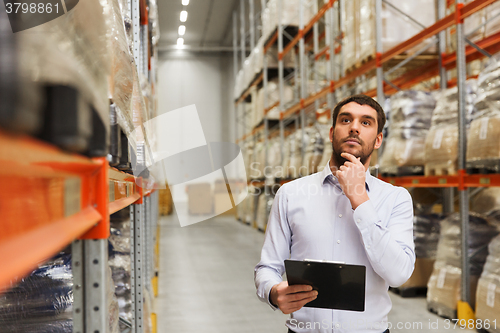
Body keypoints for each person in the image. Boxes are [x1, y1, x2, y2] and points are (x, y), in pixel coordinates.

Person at [254, 94, 415, 333]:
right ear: (332, 133)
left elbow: (399, 274)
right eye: (346, 120)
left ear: (379, 139)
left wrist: (360, 199)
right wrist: (274, 292)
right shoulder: (290, 194)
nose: (354, 128)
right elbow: (267, 267)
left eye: (366, 122)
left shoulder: (396, 199)